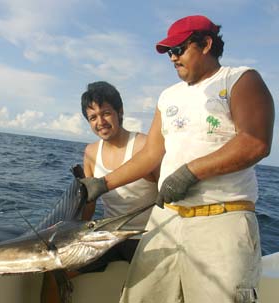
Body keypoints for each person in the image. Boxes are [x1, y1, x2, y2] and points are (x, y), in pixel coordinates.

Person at [80, 15, 275, 302]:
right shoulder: (167, 96)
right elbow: (151, 154)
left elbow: (255, 142)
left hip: (222, 217)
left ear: (206, 44)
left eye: (179, 49)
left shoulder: (240, 79)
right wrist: (101, 184)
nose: (172, 58)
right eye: (169, 52)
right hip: (166, 219)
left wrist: (191, 172)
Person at [41, 81, 158, 303]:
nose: (100, 122)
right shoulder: (91, 152)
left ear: (120, 112)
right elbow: (90, 203)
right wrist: (74, 237)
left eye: (106, 113)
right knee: (54, 270)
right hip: (108, 236)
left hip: (146, 237)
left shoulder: (144, 146)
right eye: (93, 117)